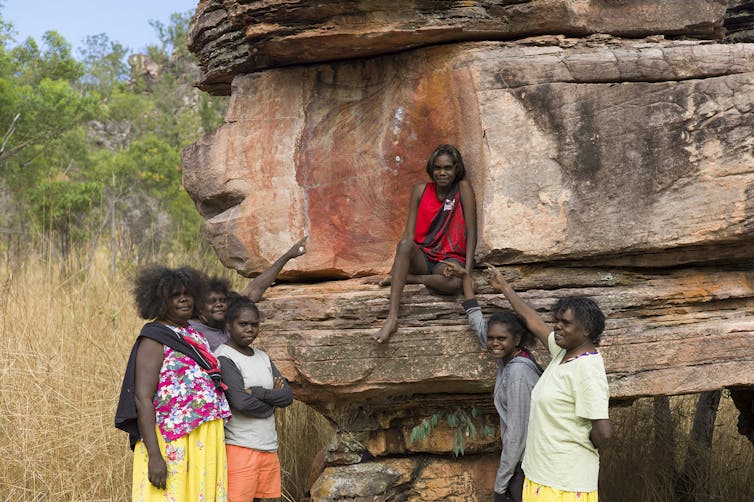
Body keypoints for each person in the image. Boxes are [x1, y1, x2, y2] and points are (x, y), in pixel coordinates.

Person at [484, 265, 611, 502]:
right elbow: (533, 321)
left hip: (564, 484)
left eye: (565, 323)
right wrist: (504, 288)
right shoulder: (563, 354)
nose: (557, 326)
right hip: (541, 477)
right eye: (557, 321)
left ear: (587, 330)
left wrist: (574, 443)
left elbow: (603, 432)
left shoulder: (587, 368)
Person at [115, 266, 231, 501]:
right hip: (172, 441)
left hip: (203, 438)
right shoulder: (154, 339)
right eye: (175, 295)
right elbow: (142, 398)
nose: (184, 298)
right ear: (159, 300)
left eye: (188, 293)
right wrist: (155, 456)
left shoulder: (193, 333)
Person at [444, 261, 542, 502]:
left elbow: (516, 435)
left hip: (526, 467)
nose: (494, 343)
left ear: (517, 339)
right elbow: (478, 324)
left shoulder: (519, 373)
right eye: (492, 339)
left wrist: (500, 485)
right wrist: (467, 279)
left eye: (501, 338)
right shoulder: (508, 359)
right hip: (521, 465)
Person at [374, 144, 477, 343]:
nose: (442, 172)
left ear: (456, 169)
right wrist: (396, 267)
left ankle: (410, 278)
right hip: (423, 256)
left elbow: (472, 232)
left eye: (447, 168)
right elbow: (409, 235)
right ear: (431, 169)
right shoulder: (420, 191)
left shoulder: (462, 189)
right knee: (404, 244)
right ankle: (392, 318)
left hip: (448, 259)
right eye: (437, 168)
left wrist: (467, 272)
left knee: (456, 283)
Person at [215, 296, 293, 502]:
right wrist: (271, 404)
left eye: (254, 324)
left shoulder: (262, 357)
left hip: (268, 447)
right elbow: (240, 402)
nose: (249, 329)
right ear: (229, 325)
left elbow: (287, 396)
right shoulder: (225, 357)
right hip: (240, 448)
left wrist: (257, 393)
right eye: (243, 324)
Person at [190, 236, 308, 350]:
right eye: (212, 301)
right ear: (200, 307)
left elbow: (255, 289)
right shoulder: (190, 330)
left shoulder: (228, 320)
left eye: (222, 300)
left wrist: (288, 256)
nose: (219, 304)